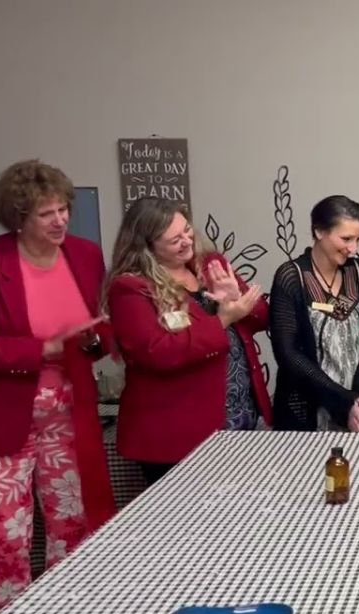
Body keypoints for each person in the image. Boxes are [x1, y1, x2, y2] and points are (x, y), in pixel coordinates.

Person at [0, 159, 116, 608]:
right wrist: (44, 349)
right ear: (18, 217)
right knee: (6, 532)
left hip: (68, 412)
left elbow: (99, 326)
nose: (60, 220)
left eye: (63, 209)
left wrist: (95, 340)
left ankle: (67, 612)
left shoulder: (85, 255)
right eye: (46, 213)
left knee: (73, 521)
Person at [105, 197, 270, 486]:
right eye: (174, 240)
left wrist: (236, 299)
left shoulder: (210, 264)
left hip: (239, 415)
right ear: (147, 246)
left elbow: (261, 319)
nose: (186, 241)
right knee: (186, 512)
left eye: (187, 231)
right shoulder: (131, 287)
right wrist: (222, 320)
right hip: (177, 431)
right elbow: (157, 353)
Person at [270, 195, 359, 432]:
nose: (354, 249)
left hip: (356, 408)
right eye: (346, 239)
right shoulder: (291, 277)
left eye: (358, 239)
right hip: (303, 414)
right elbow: (288, 354)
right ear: (319, 231)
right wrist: (341, 399)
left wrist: (357, 396)